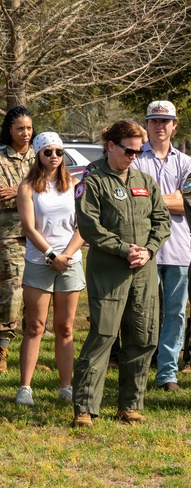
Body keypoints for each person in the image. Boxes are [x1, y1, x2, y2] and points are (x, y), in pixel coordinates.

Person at [73, 119, 170, 427]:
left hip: (143, 270)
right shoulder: (93, 181)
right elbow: (89, 226)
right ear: (111, 146)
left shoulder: (144, 180)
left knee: (142, 337)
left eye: (139, 151)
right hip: (109, 270)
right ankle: (85, 408)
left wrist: (149, 249)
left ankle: (130, 405)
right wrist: (123, 248)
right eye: (129, 150)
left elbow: (162, 220)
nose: (134, 156)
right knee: (103, 335)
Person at [15, 132, 84, 406]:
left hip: (70, 261)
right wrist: (50, 254)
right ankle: (25, 387)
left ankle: (66, 386)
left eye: (58, 152)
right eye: (48, 152)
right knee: (35, 326)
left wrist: (66, 254)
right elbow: (29, 227)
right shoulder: (28, 187)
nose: (54, 156)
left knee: (65, 328)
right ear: (38, 155)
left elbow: (83, 227)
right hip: (39, 261)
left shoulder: (76, 185)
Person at [132, 100, 190, 392]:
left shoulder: (186, 162)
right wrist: (172, 199)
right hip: (144, 248)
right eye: (154, 121)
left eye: (165, 121)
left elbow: (187, 203)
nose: (160, 126)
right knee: (143, 313)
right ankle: (140, 371)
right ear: (147, 125)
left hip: (179, 249)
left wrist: (151, 198)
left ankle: (167, 374)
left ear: (174, 125)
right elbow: (132, 202)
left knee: (175, 313)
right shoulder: (135, 159)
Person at [0, 106, 36, 372]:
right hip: (11, 235)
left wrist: (20, 191)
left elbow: (50, 189)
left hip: (40, 234)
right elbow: (1, 197)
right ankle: (1, 352)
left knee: (37, 292)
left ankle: (33, 353)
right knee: (12, 291)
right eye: (20, 128)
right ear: (9, 130)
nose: (25, 133)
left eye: (29, 128)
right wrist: (32, 191)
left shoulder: (41, 156)